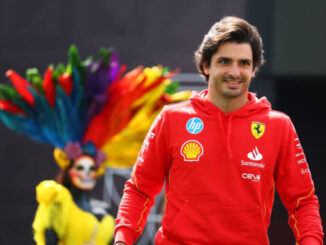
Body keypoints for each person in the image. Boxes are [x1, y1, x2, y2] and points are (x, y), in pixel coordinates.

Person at [113, 16, 324, 245]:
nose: (235, 72)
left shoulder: (278, 126)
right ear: (206, 65)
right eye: (225, 61)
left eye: (244, 63)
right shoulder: (172, 118)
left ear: (254, 70)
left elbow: (302, 201)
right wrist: (122, 240)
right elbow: (139, 189)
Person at [0, 45, 190, 244]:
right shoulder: (57, 199)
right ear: (68, 167)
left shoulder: (105, 211)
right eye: (81, 167)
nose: (86, 173)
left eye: (91, 168)